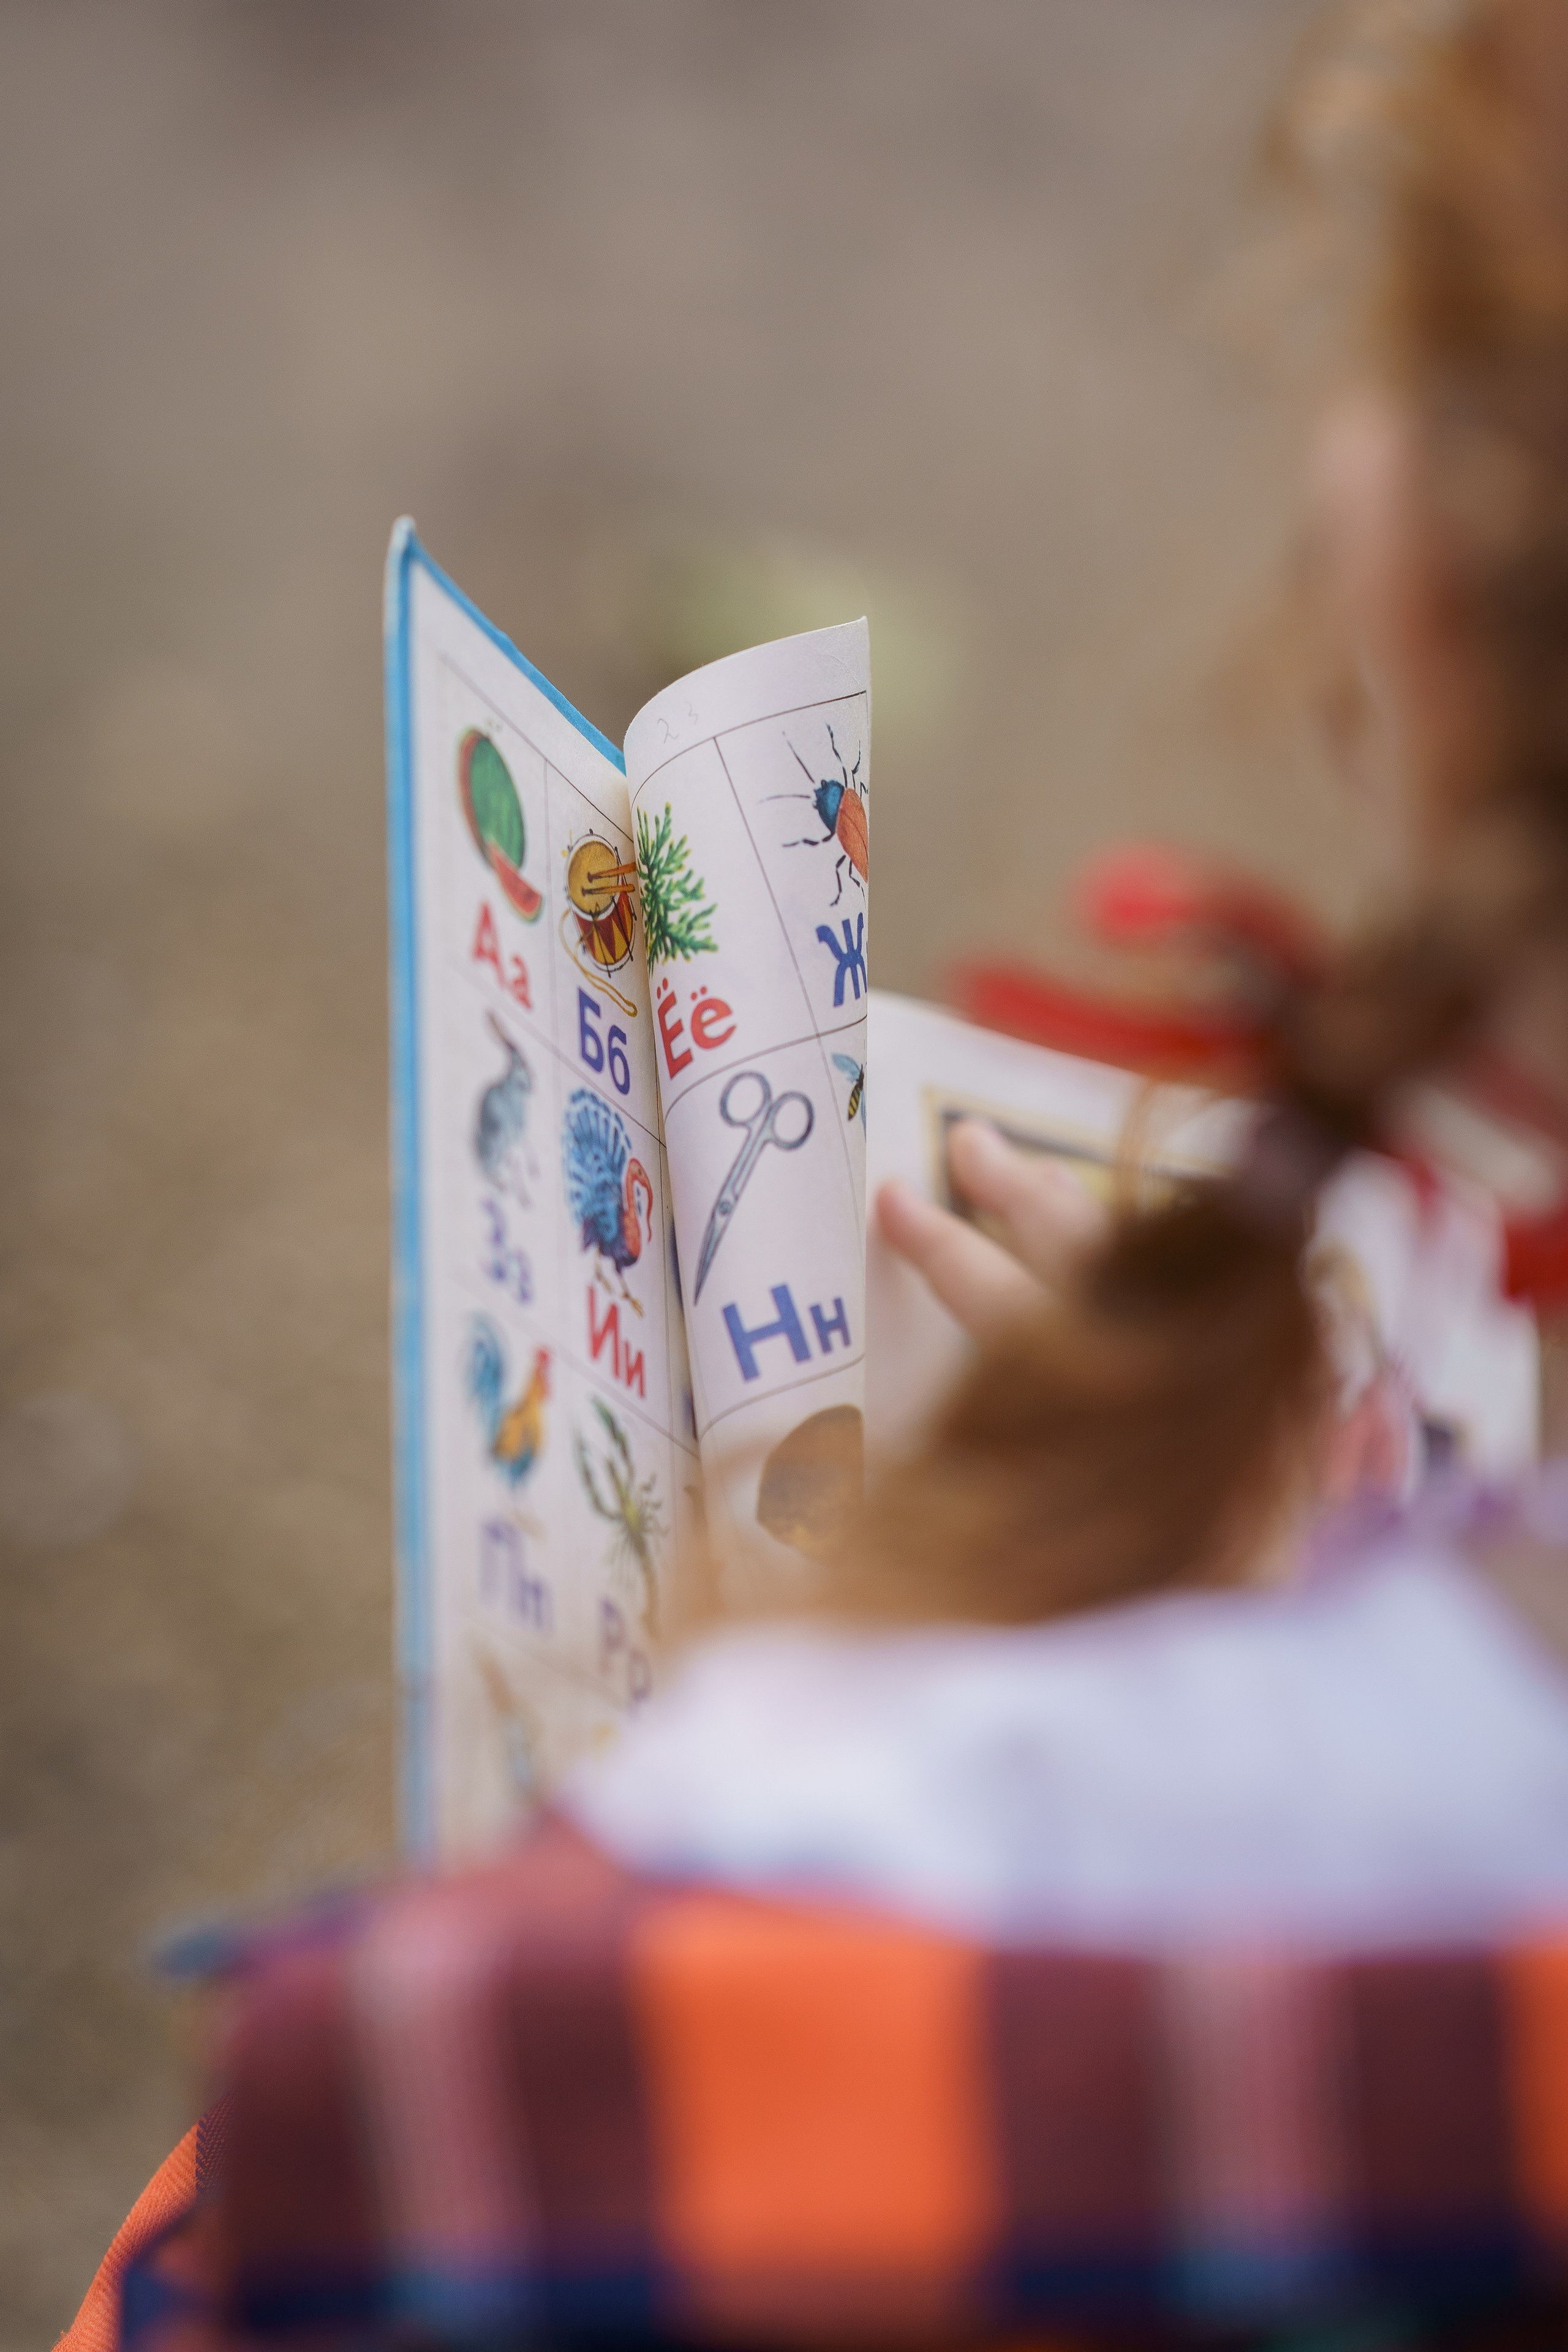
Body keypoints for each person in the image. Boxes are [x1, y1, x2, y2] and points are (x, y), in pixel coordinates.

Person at [64, 2, 1568, 2345]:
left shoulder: (566, 2076)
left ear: (1432, 570)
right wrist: (1322, 1557)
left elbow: (242, 2276)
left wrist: (820, 1751)